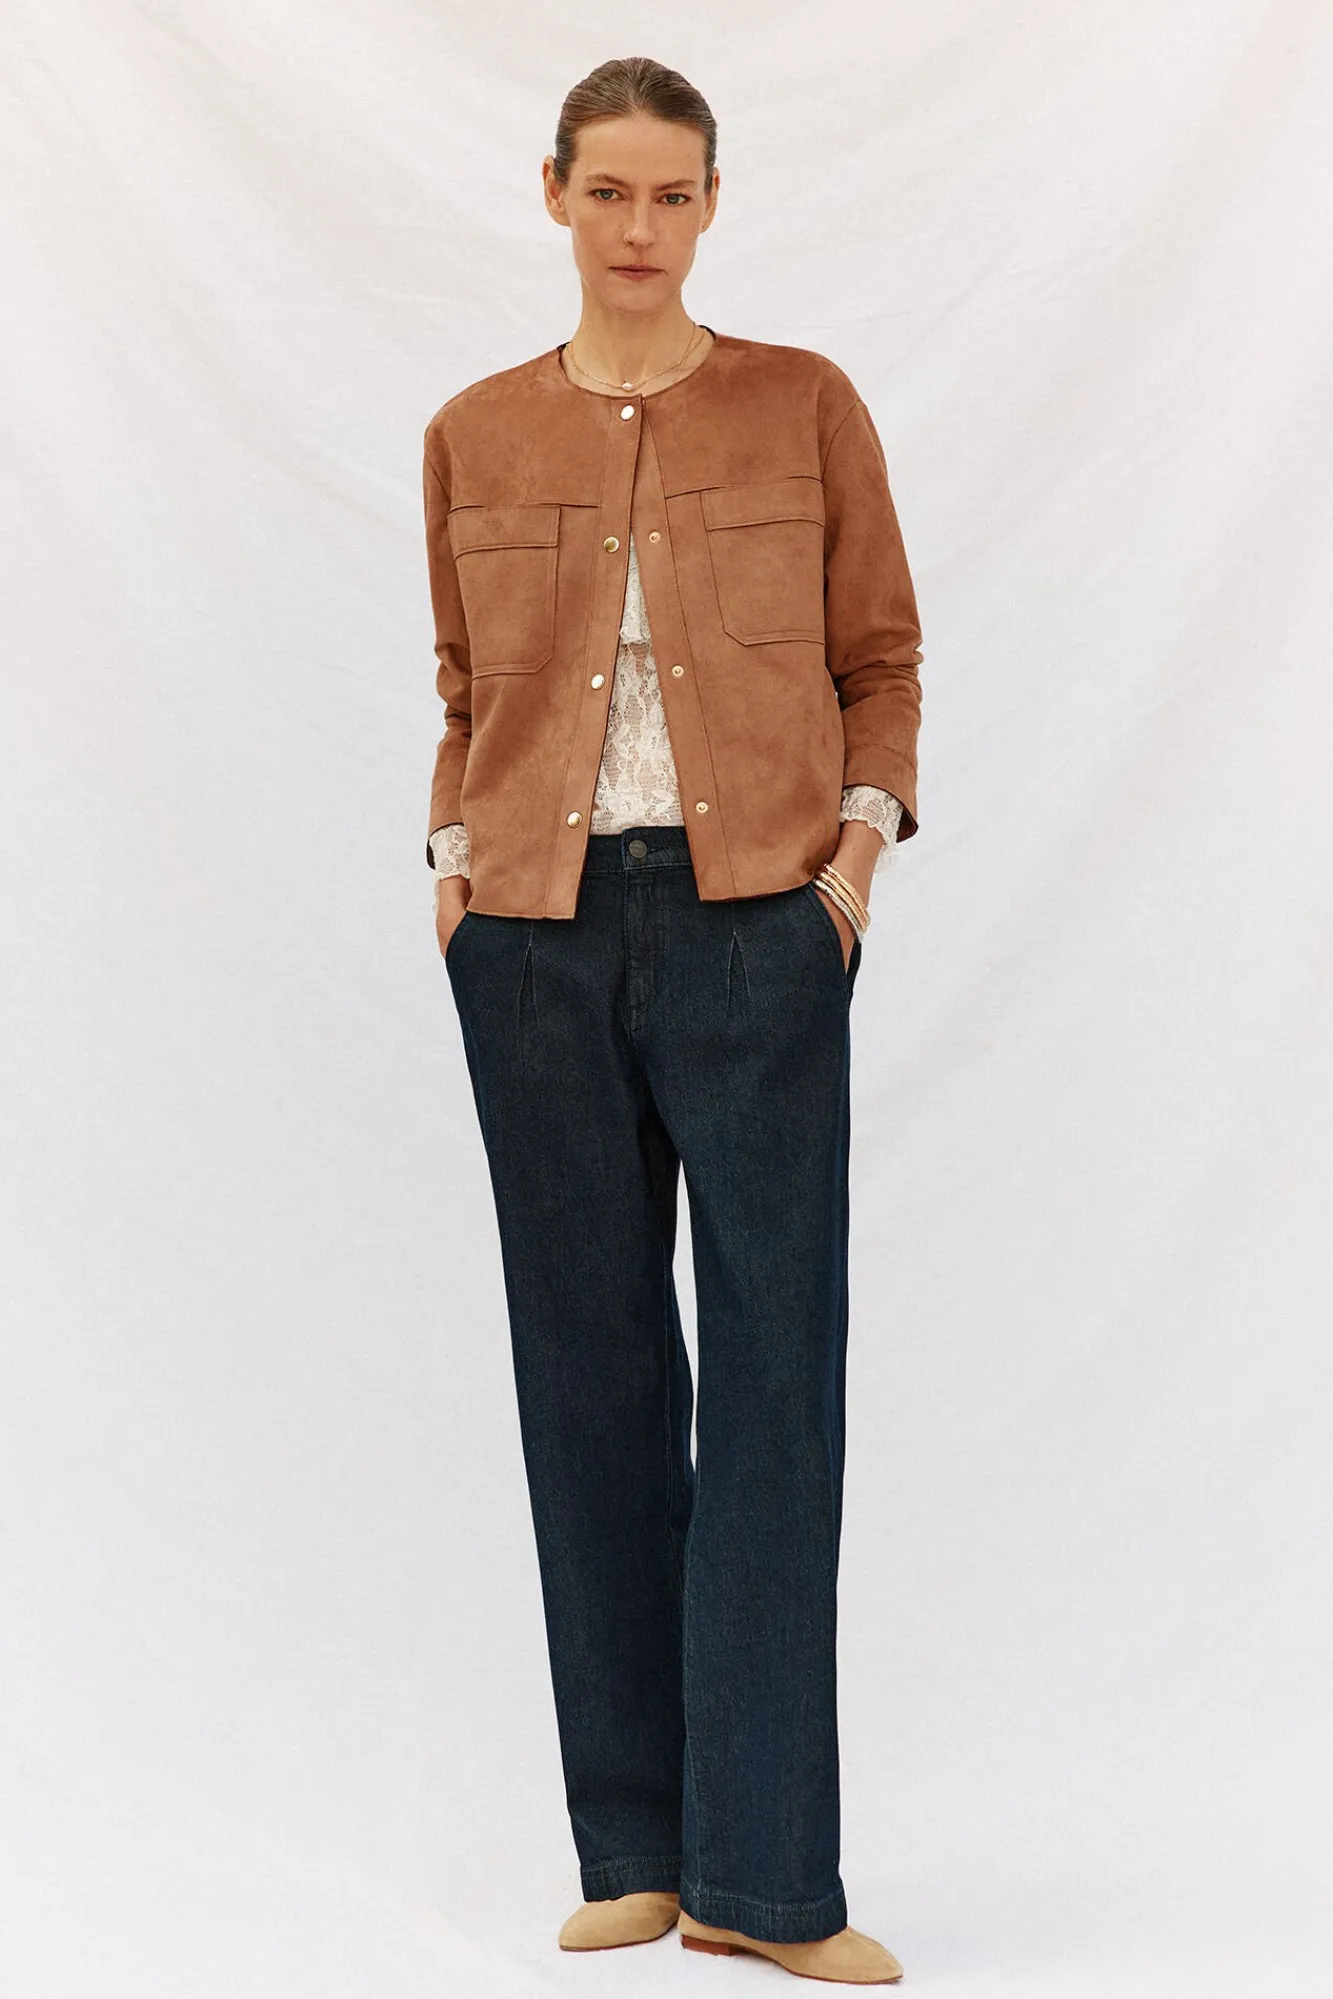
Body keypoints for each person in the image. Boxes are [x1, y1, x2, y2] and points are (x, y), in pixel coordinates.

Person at [420, 55, 922, 1987]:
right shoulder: (474, 432)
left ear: (713, 204)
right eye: (611, 191)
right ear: (554, 193)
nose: (642, 228)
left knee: (778, 1386)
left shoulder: (806, 405)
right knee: (592, 1383)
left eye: (675, 193)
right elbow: (463, 686)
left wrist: (848, 872)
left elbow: (882, 659)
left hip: (756, 932)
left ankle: (767, 1879)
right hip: (533, 945)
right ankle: (634, 1846)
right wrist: (454, 874)